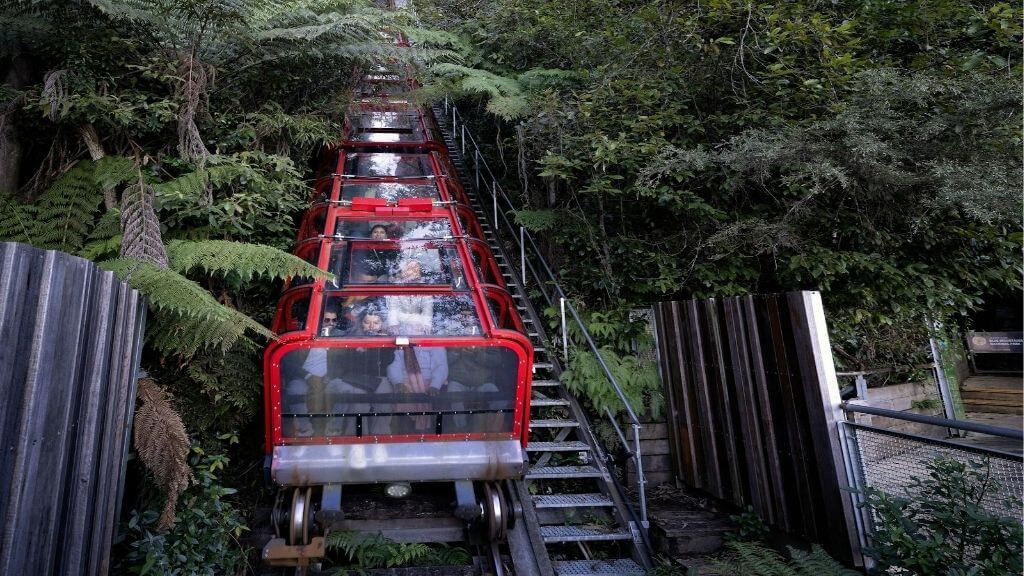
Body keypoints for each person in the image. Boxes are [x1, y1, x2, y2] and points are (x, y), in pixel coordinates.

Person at [387, 345, 448, 433]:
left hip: (430, 382)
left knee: (430, 398)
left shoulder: (434, 343)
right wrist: (398, 382)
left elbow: (441, 366)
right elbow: (393, 366)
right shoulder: (400, 344)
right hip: (404, 381)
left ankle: (425, 435)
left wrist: (435, 385)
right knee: (403, 399)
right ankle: (405, 436)